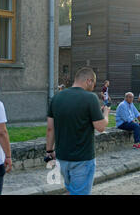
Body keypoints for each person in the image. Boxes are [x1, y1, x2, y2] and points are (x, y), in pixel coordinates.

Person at [46, 67, 110, 195]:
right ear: (89, 81)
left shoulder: (56, 98)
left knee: (72, 190)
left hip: (62, 158)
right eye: (94, 84)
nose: (93, 88)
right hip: (82, 159)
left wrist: (49, 150)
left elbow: (50, 128)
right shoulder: (90, 98)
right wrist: (106, 114)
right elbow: (101, 127)